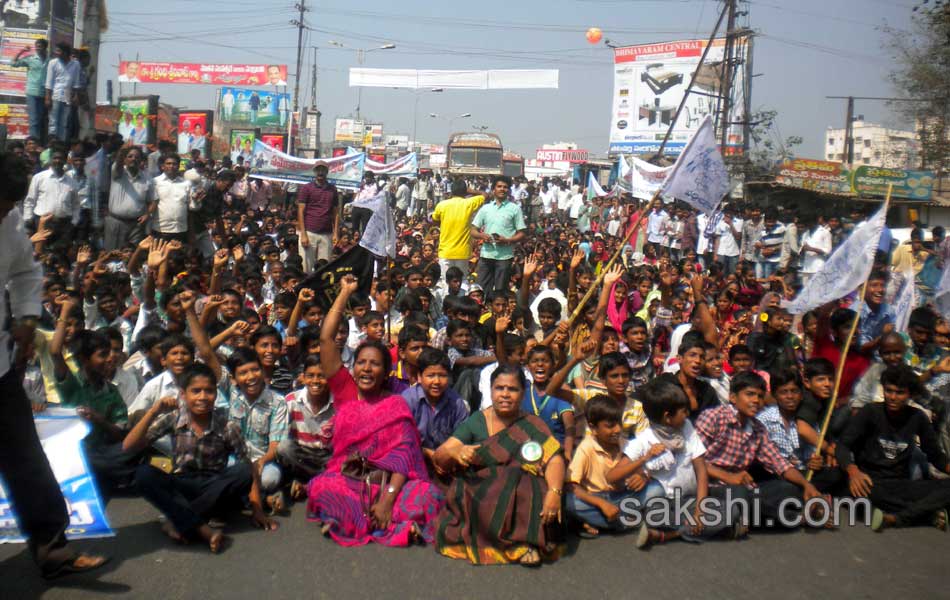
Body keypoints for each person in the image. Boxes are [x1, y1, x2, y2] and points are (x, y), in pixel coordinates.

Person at [0, 151, 108, 579]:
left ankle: (52, 547)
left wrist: (27, 317)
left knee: (25, 456)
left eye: (9, 204)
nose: (5, 212)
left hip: (0, 365)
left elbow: (25, 273)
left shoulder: (8, 221)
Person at [306, 276, 444, 546]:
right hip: (351, 479)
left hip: (389, 482)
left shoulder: (395, 402)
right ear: (353, 367)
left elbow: (405, 458)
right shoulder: (345, 389)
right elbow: (325, 338)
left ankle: (368, 516)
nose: (367, 369)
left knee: (427, 494)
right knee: (323, 487)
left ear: (386, 371)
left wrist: (388, 498)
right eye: (362, 363)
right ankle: (388, 520)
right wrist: (345, 292)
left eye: (375, 364)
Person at [124, 364, 277, 552]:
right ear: (183, 394)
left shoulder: (227, 426)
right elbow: (128, 446)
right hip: (183, 484)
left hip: (215, 487)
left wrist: (257, 511)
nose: (202, 397)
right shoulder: (174, 418)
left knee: (243, 472)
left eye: (209, 391)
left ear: (216, 394)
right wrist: (153, 411)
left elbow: (249, 468)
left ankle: (177, 521)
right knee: (143, 474)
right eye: (195, 391)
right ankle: (203, 528)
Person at [434, 364, 566, 566]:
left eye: (512, 389)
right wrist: (456, 451)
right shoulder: (477, 421)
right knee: (492, 486)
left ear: (523, 393)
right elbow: (441, 455)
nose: (505, 394)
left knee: (533, 484)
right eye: (499, 388)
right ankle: (519, 544)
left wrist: (555, 492)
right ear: (491, 390)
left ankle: (527, 542)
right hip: (482, 490)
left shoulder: (532, 423)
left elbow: (554, 459)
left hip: (522, 490)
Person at [837, 364, 950, 531]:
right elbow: (843, 446)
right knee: (856, 494)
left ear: (909, 395)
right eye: (889, 391)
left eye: (899, 393)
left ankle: (898, 518)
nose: (892, 397)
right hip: (870, 482)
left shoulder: (917, 417)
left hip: (900, 484)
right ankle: (925, 513)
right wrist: (853, 472)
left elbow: (935, 456)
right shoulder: (870, 412)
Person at [566, 395, 664, 538]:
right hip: (596, 499)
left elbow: (640, 471)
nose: (618, 429)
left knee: (657, 490)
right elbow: (572, 486)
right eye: (610, 426)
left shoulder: (625, 443)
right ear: (593, 428)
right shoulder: (585, 448)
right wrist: (601, 504)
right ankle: (624, 522)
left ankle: (603, 522)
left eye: (619, 423)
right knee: (569, 502)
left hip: (621, 496)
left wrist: (642, 477)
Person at [470, 175, 526, 292]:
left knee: (501, 291)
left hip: (505, 257)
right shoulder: (486, 208)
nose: (502, 189)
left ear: (509, 190)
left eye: (505, 187)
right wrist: (482, 236)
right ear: (493, 190)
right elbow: (473, 230)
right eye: (499, 186)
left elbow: (522, 233)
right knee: (482, 289)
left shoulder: (515, 209)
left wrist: (507, 240)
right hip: (486, 255)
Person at [23, 146, 80, 249]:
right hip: (42, 224)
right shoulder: (39, 178)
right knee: (40, 255)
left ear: (65, 160)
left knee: (59, 257)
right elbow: (30, 201)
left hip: (64, 225)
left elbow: (76, 205)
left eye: (60, 158)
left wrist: (74, 222)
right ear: (51, 159)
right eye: (55, 158)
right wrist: (28, 219)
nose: (57, 161)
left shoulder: (72, 182)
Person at [432, 178, 484, 287]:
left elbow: (435, 221)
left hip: (445, 250)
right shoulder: (469, 203)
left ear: (452, 190)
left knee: (445, 281)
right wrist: (472, 191)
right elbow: (485, 195)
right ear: (465, 191)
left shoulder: (442, 205)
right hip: (463, 251)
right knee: (462, 280)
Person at [104, 146, 152, 251]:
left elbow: (153, 200)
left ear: (141, 160)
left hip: (136, 225)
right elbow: (118, 164)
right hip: (116, 222)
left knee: (132, 255)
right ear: (124, 159)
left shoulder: (147, 178)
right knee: (112, 255)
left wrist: (147, 214)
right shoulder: (118, 173)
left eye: (137, 157)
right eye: (130, 156)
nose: (133, 159)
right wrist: (121, 152)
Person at [297, 164, 338, 269]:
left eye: (323, 170)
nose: (320, 173)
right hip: (309, 232)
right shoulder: (307, 188)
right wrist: (303, 234)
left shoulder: (332, 190)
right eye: (318, 170)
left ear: (327, 172)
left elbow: (336, 213)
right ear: (314, 172)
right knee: (306, 267)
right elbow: (301, 211)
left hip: (326, 233)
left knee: (324, 269)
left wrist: (335, 233)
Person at [149, 154, 194, 242]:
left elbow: (191, 208)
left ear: (178, 166)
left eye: (174, 164)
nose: (171, 166)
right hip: (160, 230)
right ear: (162, 166)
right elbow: (151, 205)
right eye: (168, 163)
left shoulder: (186, 184)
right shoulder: (155, 182)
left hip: (181, 230)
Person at [12, 38, 49, 143]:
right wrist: (22, 51)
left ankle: (40, 142)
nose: (38, 48)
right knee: (33, 120)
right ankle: (34, 142)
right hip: (31, 93)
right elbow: (13, 63)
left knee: (41, 119)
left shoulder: (50, 60)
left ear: (45, 48)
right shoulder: (31, 58)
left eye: (40, 46)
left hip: (44, 94)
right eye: (36, 46)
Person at [45, 42, 81, 142]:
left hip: (67, 95)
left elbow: (76, 82)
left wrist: (76, 96)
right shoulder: (53, 63)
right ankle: (52, 143)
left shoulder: (75, 64)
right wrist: (47, 97)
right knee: (53, 121)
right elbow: (49, 82)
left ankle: (60, 143)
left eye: (58, 51)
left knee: (64, 122)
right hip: (55, 95)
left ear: (65, 53)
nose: (56, 53)